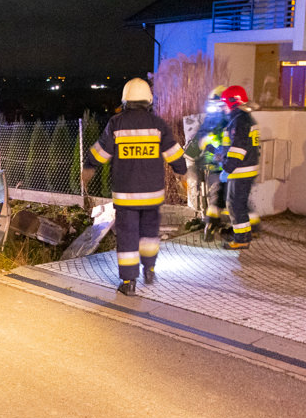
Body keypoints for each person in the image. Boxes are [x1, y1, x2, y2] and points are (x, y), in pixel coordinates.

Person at [82, 78, 187, 296]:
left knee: (128, 237)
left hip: (126, 195)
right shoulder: (158, 124)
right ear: (148, 100)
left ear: (125, 99)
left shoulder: (116, 124)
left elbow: (101, 151)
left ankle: (129, 283)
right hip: (152, 195)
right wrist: (181, 174)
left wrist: (88, 167)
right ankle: (149, 268)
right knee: (149, 234)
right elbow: (175, 154)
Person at [218, 85, 261, 250]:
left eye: (224, 104)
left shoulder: (240, 120)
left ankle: (242, 239)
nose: (223, 108)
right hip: (244, 169)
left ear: (232, 102)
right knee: (238, 204)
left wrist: (227, 169)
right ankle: (244, 234)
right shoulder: (245, 118)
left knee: (235, 205)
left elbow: (238, 149)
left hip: (240, 170)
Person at [184, 86, 228, 241]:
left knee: (216, 196)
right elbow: (198, 142)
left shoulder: (226, 122)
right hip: (212, 165)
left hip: (220, 166)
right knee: (211, 196)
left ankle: (212, 225)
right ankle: (208, 223)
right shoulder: (214, 120)